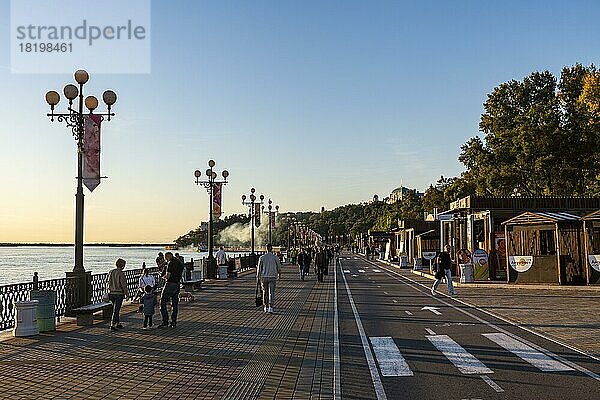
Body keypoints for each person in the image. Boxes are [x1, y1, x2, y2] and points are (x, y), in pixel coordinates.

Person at [159, 252, 184, 328]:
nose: (165, 260)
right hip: (177, 284)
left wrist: (163, 277)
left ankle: (165, 322)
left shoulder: (170, 263)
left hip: (170, 284)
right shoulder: (179, 263)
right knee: (174, 304)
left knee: (162, 302)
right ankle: (173, 322)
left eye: (166, 258)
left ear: (168, 257)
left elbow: (168, 276)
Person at [257, 244, 282, 314]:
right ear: (272, 248)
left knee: (265, 292)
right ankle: (271, 307)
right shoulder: (275, 257)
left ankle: (266, 307)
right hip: (273, 276)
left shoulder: (262, 258)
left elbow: (259, 269)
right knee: (271, 292)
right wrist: (279, 275)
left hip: (264, 277)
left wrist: (258, 277)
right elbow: (279, 267)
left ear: (266, 248)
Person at [107, 258, 128, 332]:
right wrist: (127, 294)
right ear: (122, 265)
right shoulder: (121, 273)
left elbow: (107, 281)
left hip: (111, 293)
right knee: (116, 310)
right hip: (119, 293)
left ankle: (118, 323)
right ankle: (112, 324)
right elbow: (124, 285)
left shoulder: (111, 272)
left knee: (114, 309)